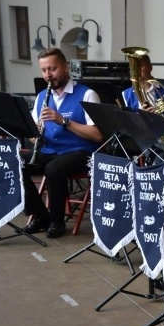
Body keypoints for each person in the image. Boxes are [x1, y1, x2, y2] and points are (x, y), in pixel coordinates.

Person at [22, 48, 103, 238]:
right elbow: (33, 135)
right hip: (51, 150)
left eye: (52, 69)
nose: (48, 75)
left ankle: (57, 222)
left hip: (82, 151)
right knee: (15, 162)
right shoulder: (42, 97)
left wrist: (63, 121)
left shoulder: (87, 94)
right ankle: (41, 215)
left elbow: (98, 135)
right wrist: (36, 134)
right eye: (44, 70)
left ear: (66, 67)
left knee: (53, 169)